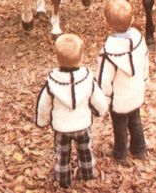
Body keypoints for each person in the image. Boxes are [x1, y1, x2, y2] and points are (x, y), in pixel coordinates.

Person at [36, 33, 108, 189]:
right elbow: (98, 98)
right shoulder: (87, 79)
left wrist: (42, 121)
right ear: (81, 57)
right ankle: (88, 173)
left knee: (62, 154)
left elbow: (44, 104)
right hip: (83, 124)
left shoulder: (52, 83)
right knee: (85, 149)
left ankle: (63, 179)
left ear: (57, 58)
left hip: (62, 127)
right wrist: (101, 110)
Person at [97, 0, 149, 165]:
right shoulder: (139, 41)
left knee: (119, 124)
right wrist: (144, 79)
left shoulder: (108, 52)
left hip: (119, 96)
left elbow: (104, 77)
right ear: (132, 19)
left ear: (105, 23)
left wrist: (104, 97)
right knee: (135, 119)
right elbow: (145, 61)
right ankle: (139, 148)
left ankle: (121, 152)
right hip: (135, 90)